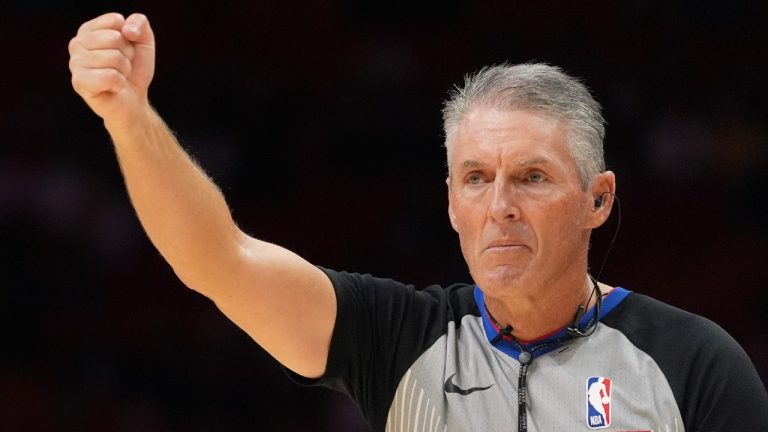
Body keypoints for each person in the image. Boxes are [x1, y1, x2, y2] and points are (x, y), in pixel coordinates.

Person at [68, 12, 768, 432]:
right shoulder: (397, 339)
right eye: (477, 179)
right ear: (452, 203)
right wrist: (129, 117)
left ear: (599, 200)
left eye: (533, 177)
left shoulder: (694, 365)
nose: (501, 206)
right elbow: (217, 260)